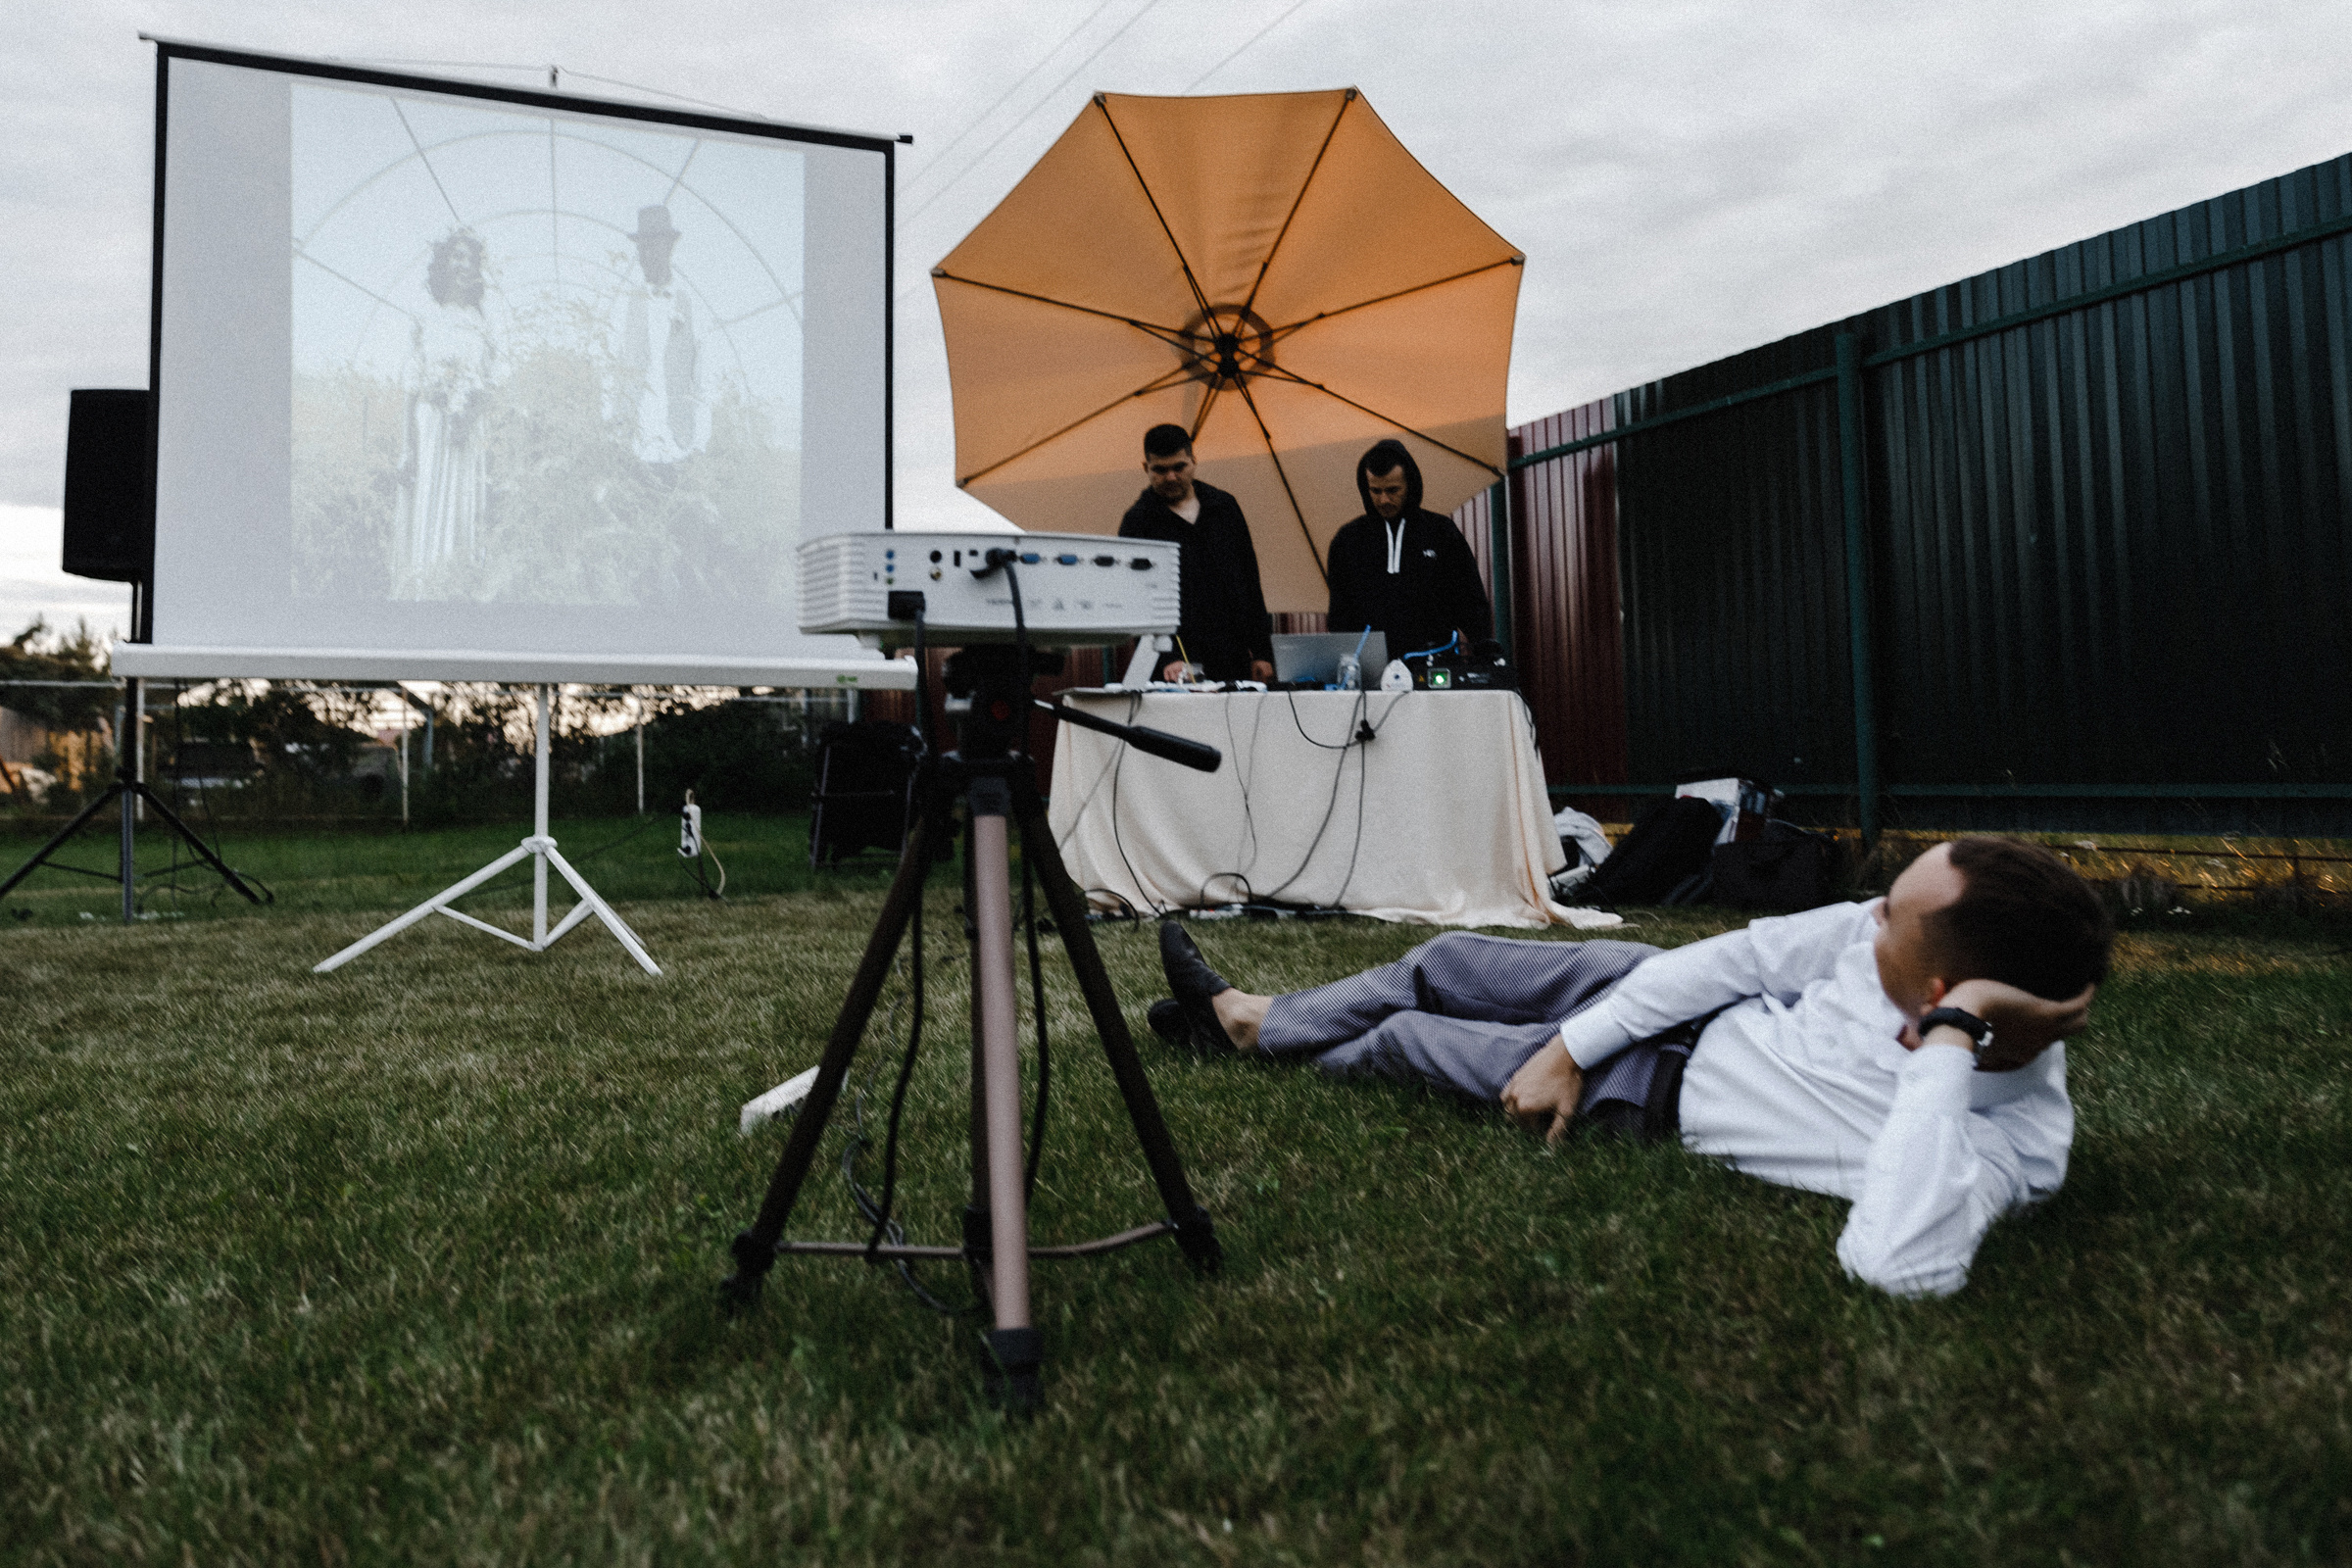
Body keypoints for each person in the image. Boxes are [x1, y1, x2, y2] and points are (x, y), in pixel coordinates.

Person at [1155, 836, 2112, 1298]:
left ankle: (1251, 1034)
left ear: (1947, 985)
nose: (1867, 916)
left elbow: (1900, 1263)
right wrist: (1572, 1043)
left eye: (1892, 916)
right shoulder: (1875, 936)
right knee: (1443, 962)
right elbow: (1739, 960)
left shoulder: (2009, 1145)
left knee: (1404, 1039)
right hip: (1662, 993)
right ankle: (1249, 1022)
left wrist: (1954, 1032)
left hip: (1652, 1091)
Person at [1117, 424, 1274, 683]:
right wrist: (1166, 657)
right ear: (1146, 468)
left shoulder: (1225, 507)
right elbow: (1136, 598)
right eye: (1160, 470)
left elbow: (1249, 581)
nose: (1170, 477)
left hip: (1232, 654)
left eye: (1179, 467)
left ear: (1193, 461)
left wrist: (1261, 652)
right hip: (1175, 661)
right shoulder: (1137, 522)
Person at [1324, 438, 1492, 660]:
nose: (1384, 499)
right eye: (1375, 491)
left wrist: (1486, 654)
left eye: (1393, 490)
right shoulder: (1347, 540)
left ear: (1410, 484)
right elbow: (1339, 617)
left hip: (1435, 663)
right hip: (1369, 672)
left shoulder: (1441, 532)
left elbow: (1470, 601)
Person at [396, 228, 495, 599]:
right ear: (443, 262)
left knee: (461, 509)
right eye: (457, 255)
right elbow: (410, 387)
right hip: (431, 427)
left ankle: (458, 592)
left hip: (464, 432)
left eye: (470, 258)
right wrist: (407, 448)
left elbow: (488, 385)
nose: (463, 264)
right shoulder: (425, 315)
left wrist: (468, 413)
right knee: (429, 506)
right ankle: (426, 590)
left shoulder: (480, 322)